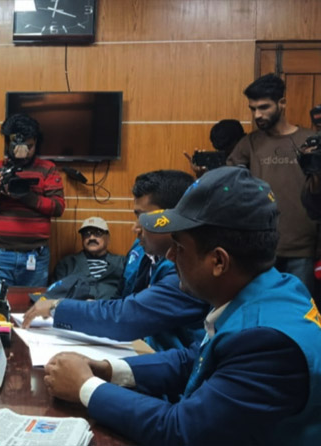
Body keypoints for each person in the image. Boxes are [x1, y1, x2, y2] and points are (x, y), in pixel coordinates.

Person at [43, 166, 321, 446]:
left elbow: (181, 431)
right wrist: (108, 370)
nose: (170, 255)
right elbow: (194, 360)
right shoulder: (274, 288)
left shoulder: (267, 341)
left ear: (218, 261)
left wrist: (86, 387)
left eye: (180, 247)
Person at [23, 170, 209, 352]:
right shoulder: (140, 250)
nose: (135, 227)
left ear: (172, 217)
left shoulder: (187, 268)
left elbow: (127, 317)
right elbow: (121, 299)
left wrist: (58, 307)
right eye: (137, 217)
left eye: (144, 218)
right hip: (134, 346)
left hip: (168, 360)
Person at [227, 73, 317, 294]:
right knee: (262, 307)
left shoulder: (309, 140)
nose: (257, 115)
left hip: (304, 249)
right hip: (262, 249)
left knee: (299, 309)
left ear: (282, 103)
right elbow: (229, 180)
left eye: (264, 107)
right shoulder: (249, 143)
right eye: (253, 109)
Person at [0, 114, 65, 286]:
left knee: (32, 302)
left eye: (29, 146)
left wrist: (27, 196)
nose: (23, 152)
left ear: (36, 142)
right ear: (7, 143)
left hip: (35, 255)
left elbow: (58, 207)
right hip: (0, 253)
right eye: (17, 146)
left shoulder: (47, 169)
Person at [50, 216, 124, 300]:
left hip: (110, 307)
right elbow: (54, 294)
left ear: (108, 238)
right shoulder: (67, 264)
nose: (91, 238)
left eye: (98, 233)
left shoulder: (122, 263)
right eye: (87, 233)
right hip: (77, 307)